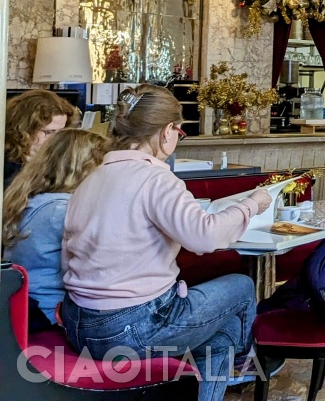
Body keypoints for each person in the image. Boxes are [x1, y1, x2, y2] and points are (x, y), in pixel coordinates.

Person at [60, 85, 274, 401]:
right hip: (130, 330)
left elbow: (72, 253)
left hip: (80, 325)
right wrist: (253, 204)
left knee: (221, 333)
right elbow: (205, 236)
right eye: (179, 131)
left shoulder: (92, 177)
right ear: (166, 133)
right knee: (241, 288)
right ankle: (248, 365)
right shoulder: (156, 179)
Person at [2, 129, 106, 331]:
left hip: (21, 305)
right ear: (87, 169)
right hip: (52, 314)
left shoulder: (27, 200)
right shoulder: (65, 209)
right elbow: (97, 268)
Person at [4, 89, 79, 188]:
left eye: (60, 132)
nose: (55, 139)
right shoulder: (7, 168)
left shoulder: (57, 161)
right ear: (24, 130)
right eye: (48, 132)